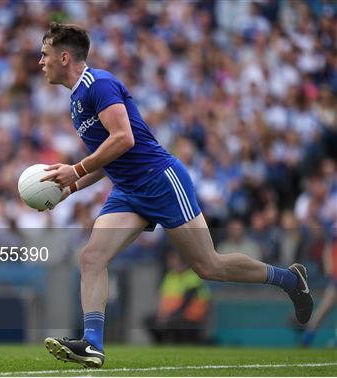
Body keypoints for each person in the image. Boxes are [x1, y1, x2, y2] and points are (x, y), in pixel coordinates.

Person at [38, 23, 312, 369]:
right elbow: (108, 158)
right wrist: (72, 186)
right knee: (91, 257)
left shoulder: (99, 85)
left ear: (65, 57)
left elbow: (124, 139)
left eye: (45, 54)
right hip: (129, 190)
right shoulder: (76, 99)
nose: (40, 61)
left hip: (161, 181)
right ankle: (92, 344)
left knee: (209, 266)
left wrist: (75, 170)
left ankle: (289, 279)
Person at [145, 252, 210, 344]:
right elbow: (164, 299)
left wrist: (169, 316)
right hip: (171, 314)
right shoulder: (170, 276)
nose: (169, 262)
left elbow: (186, 303)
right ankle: (159, 345)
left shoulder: (192, 277)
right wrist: (162, 314)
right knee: (149, 320)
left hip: (190, 315)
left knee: (172, 322)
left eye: (172, 260)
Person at [301, 238, 337, 347]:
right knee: (322, 309)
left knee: (322, 310)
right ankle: (307, 339)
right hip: (335, 282)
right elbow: (328, 248)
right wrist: (329, 266)